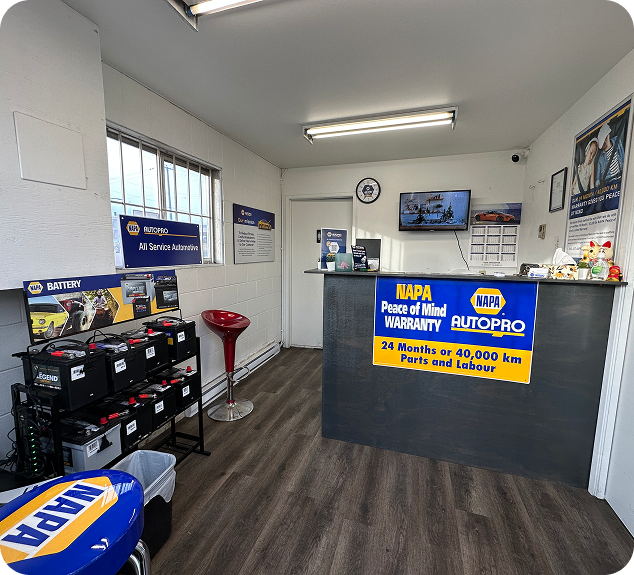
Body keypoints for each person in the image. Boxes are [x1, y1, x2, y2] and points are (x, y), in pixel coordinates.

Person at [595, 122, 625, 188]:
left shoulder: (618, 141)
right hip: (610, 184)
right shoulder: (600, 159)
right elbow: (597, 181)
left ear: (607, 136)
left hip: (622, 178)